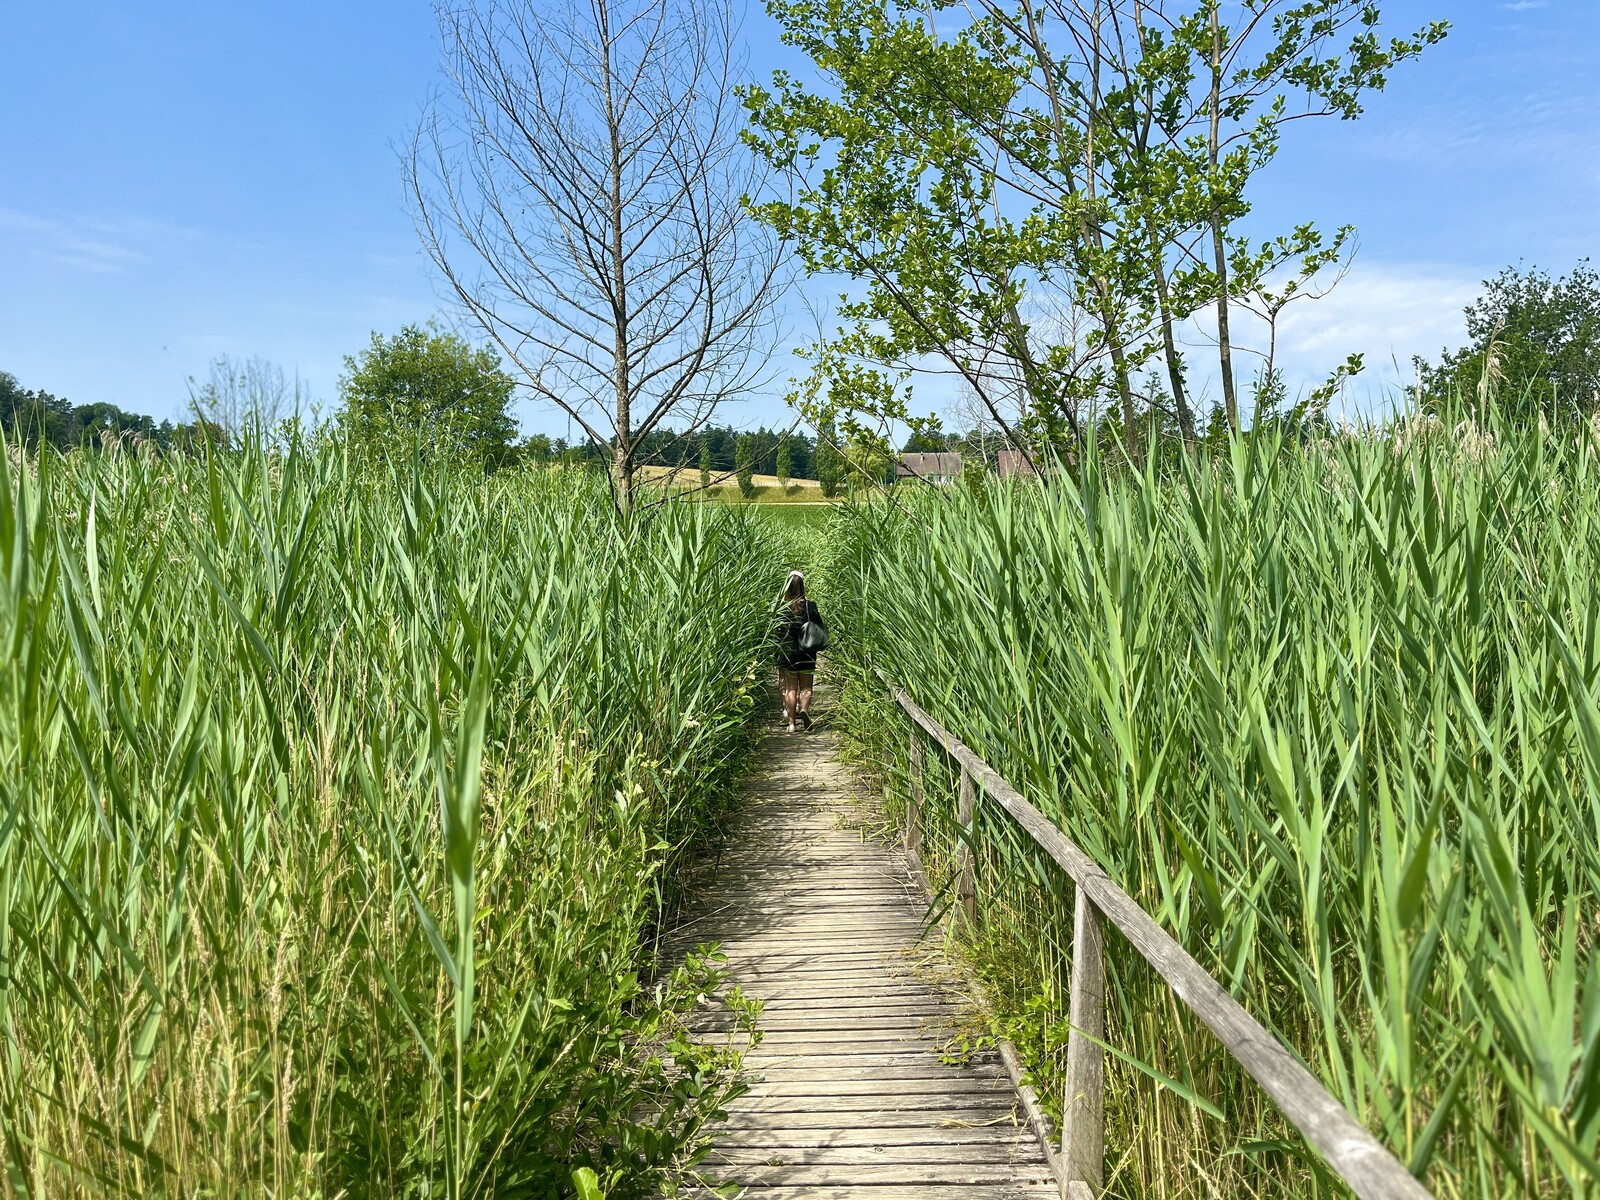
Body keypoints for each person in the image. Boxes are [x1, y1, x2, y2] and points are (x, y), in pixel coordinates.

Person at [774, 570, 826, 733]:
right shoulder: (810, 606)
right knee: (806, 688)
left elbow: (776, 631)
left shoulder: (781, 607)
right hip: (807, 651)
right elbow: (818, 627)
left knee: (791, 689)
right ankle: (804, 710)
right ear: (802, 586)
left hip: (788, 651)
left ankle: (791, 724)